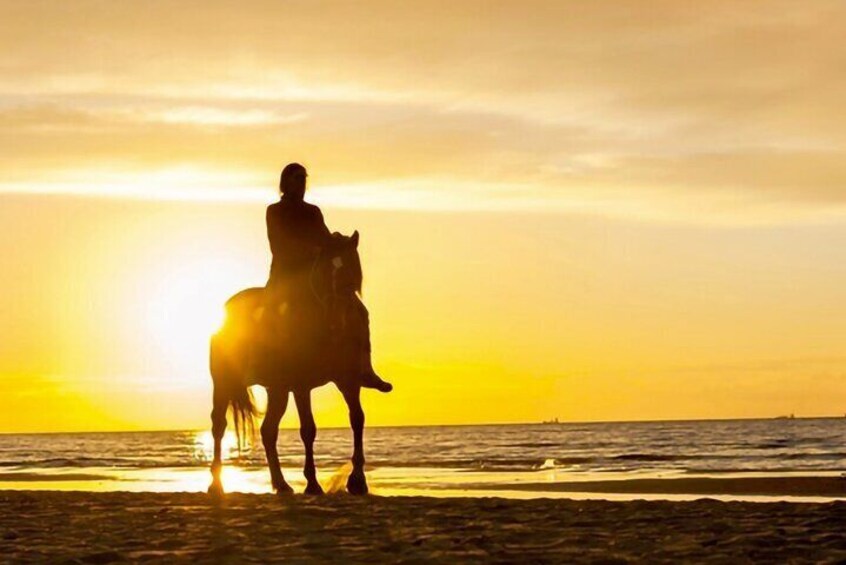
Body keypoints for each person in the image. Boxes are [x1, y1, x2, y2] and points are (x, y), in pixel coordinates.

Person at [265, 163, 392, 393]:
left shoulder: (313, 211)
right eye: (297, 179)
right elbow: (278, 246)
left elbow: (324, 237)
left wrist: (339, 242)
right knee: (277, 312)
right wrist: (310, 250)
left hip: (315, 275)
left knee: (360, 311)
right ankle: (269, 362)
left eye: (304, 179)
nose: (301, 183)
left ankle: (366, 369)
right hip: (286, 277)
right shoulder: (275, 211)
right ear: (286, 183)